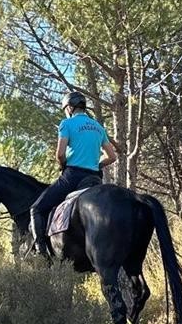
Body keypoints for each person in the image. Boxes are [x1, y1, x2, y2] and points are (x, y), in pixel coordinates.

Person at [30, 91, 118, 255]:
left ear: (69, 108)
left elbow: (60, 154)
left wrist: (63, 165)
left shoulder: (66, 124)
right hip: (94, 178)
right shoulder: (98, 127)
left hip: (73, 177)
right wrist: (96, 164)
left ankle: (40, 252)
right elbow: (112, 156)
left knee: (36, 209)